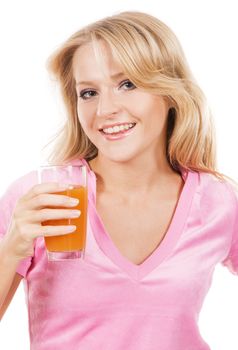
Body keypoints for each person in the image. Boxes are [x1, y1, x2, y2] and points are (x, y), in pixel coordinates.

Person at [0, 10, 237, 350]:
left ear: (169, 92)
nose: (105, 109)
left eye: (127, 84)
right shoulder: (41, 198)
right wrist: (11, 250)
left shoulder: (217, 201)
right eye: (88, 93)